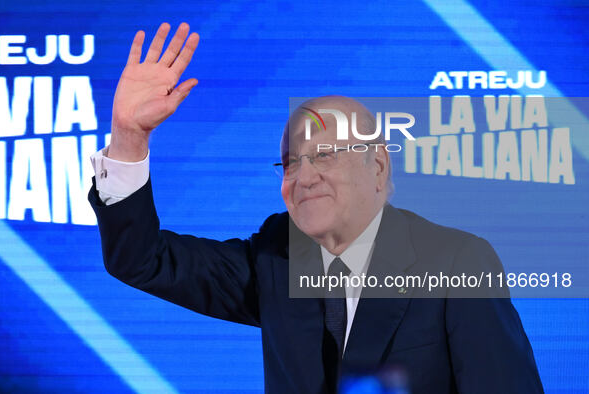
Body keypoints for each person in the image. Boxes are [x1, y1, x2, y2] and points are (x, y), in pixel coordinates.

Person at [89, 23, 544, 393]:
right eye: (290, 163)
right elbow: (141, 260)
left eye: (324, 156)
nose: (303, 176)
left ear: (378, 166)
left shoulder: (457, 260)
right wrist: (129, 136)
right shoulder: (276, 256)